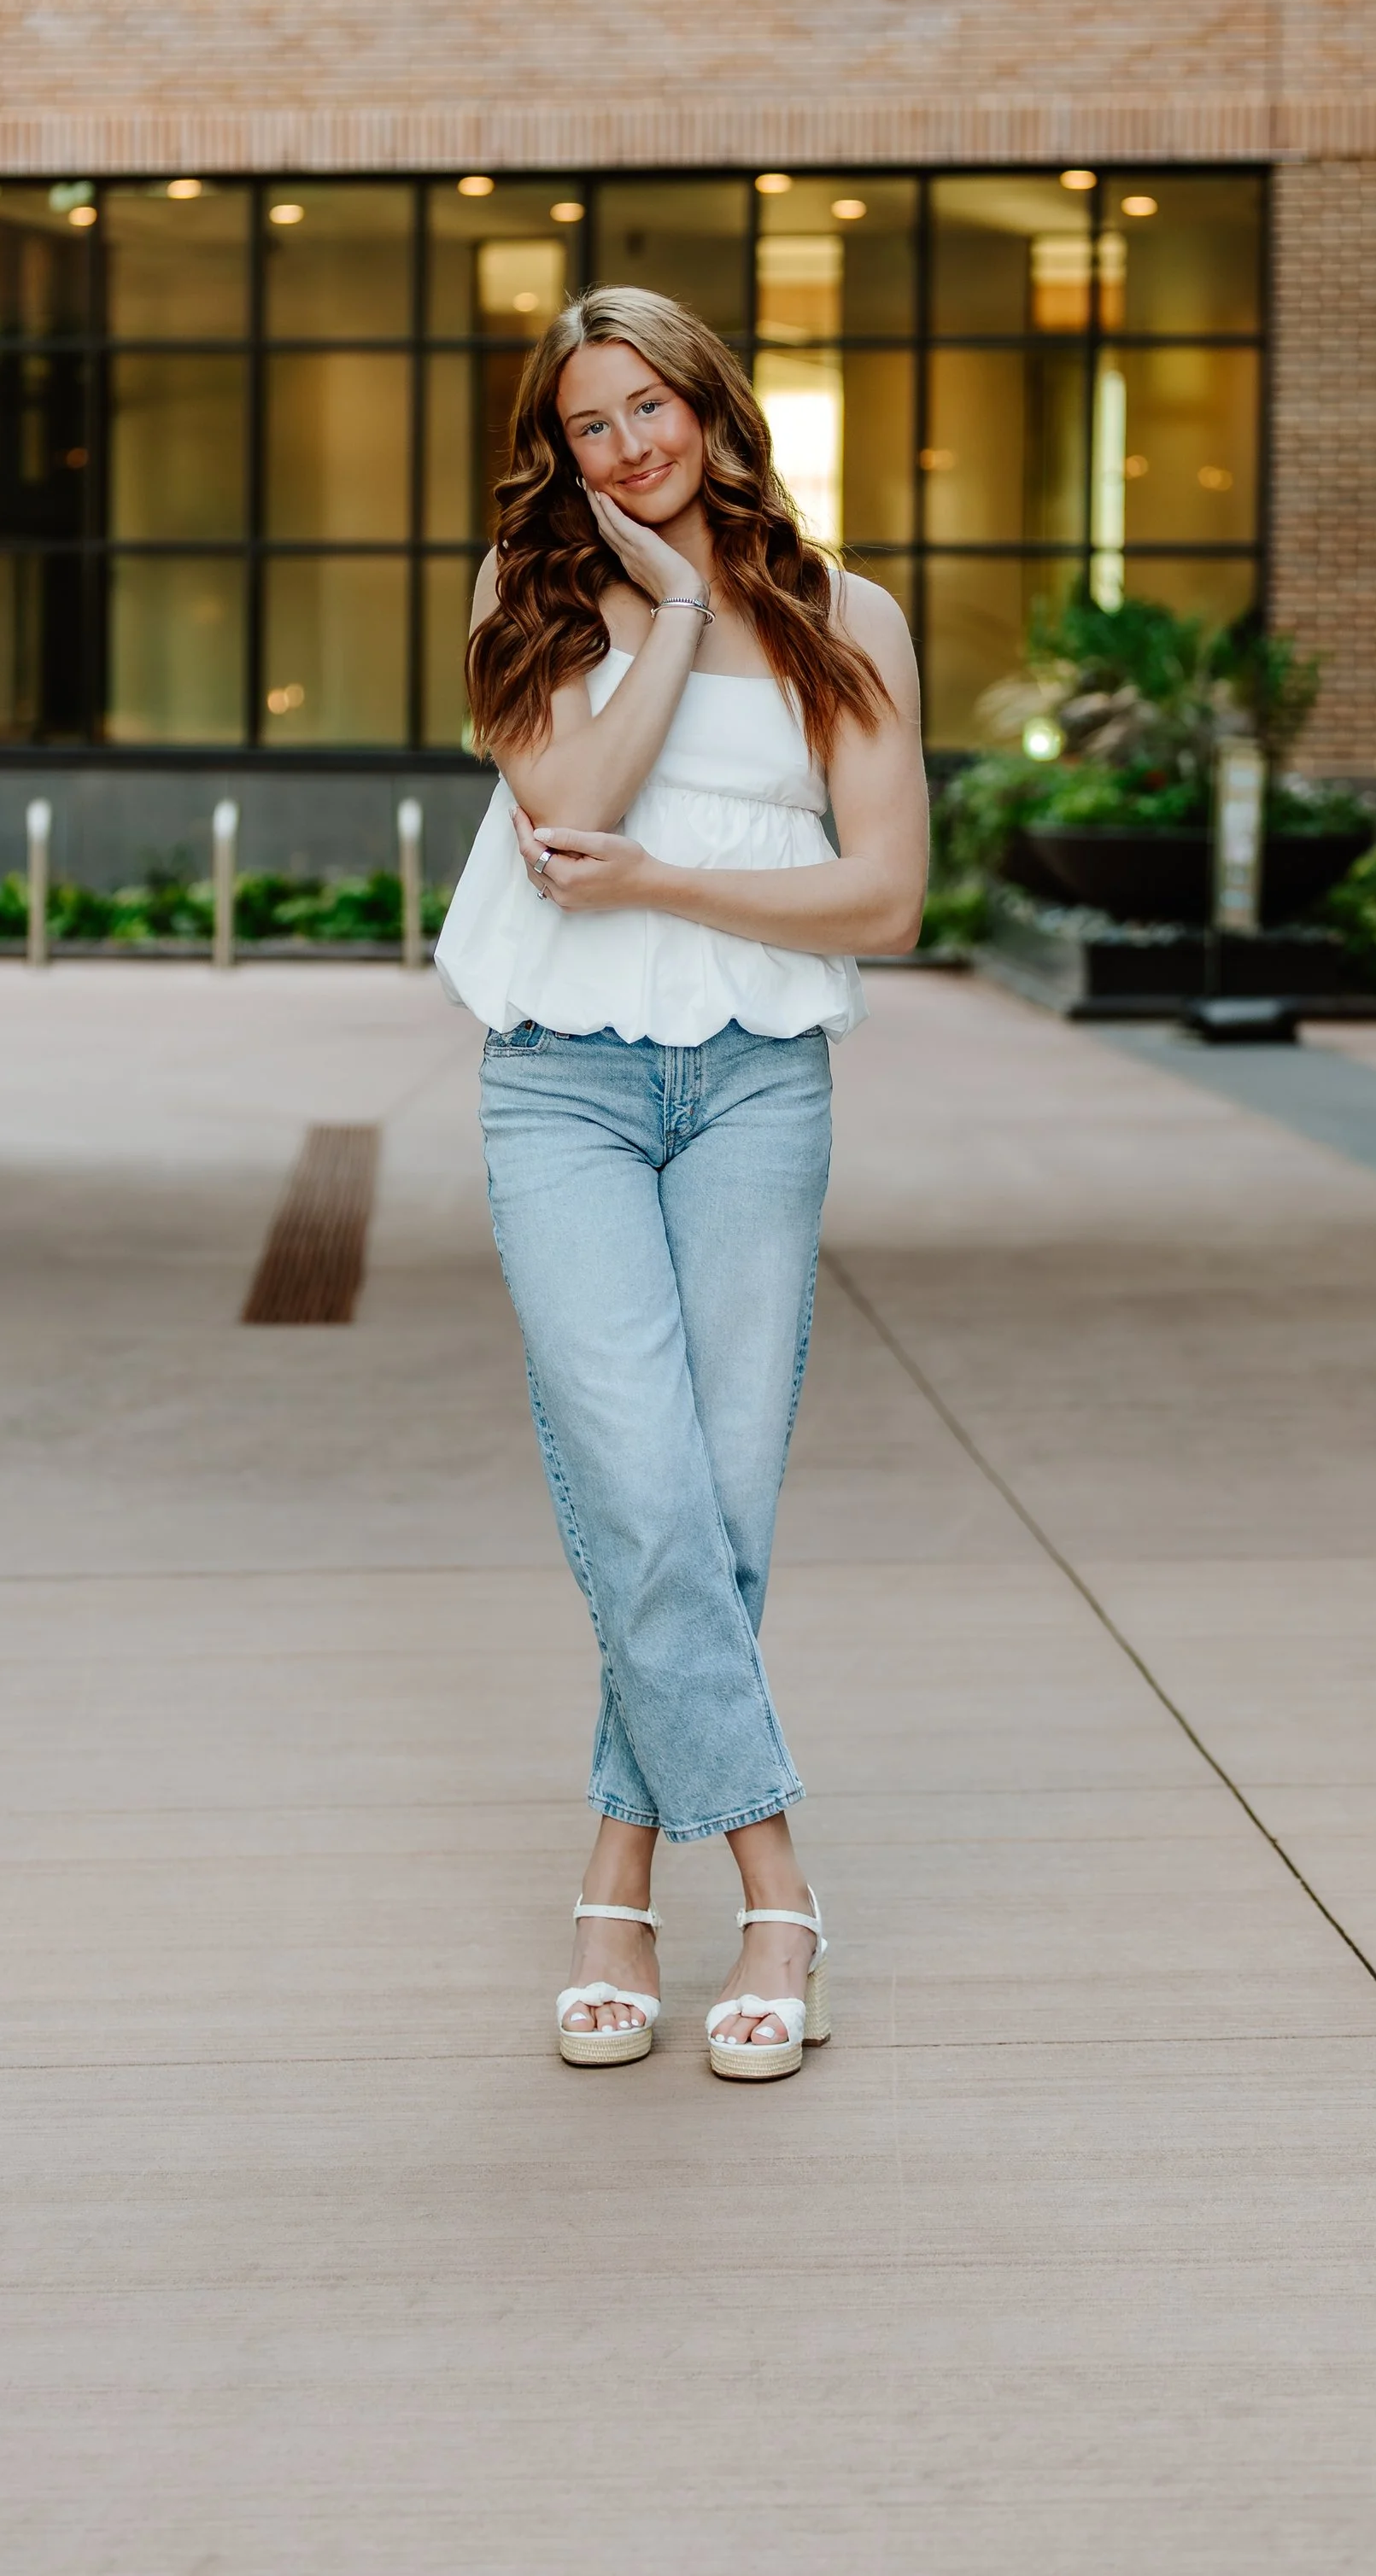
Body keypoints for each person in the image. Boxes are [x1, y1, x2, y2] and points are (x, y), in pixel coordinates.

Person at [434, 283, 928, 2080]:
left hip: (752, 1088)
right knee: (638, 1486)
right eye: (589, 423)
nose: (628, 445)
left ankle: (615, 1879)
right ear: (555, 450)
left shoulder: (850, 617)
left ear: (712, 407)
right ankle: (775, 1884)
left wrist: (665, 882)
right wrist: (671, 616)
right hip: (557, 1089)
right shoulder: (527, 598)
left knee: (711, 1506)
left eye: (652, 406)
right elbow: (563, 825)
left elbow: (879, 899)